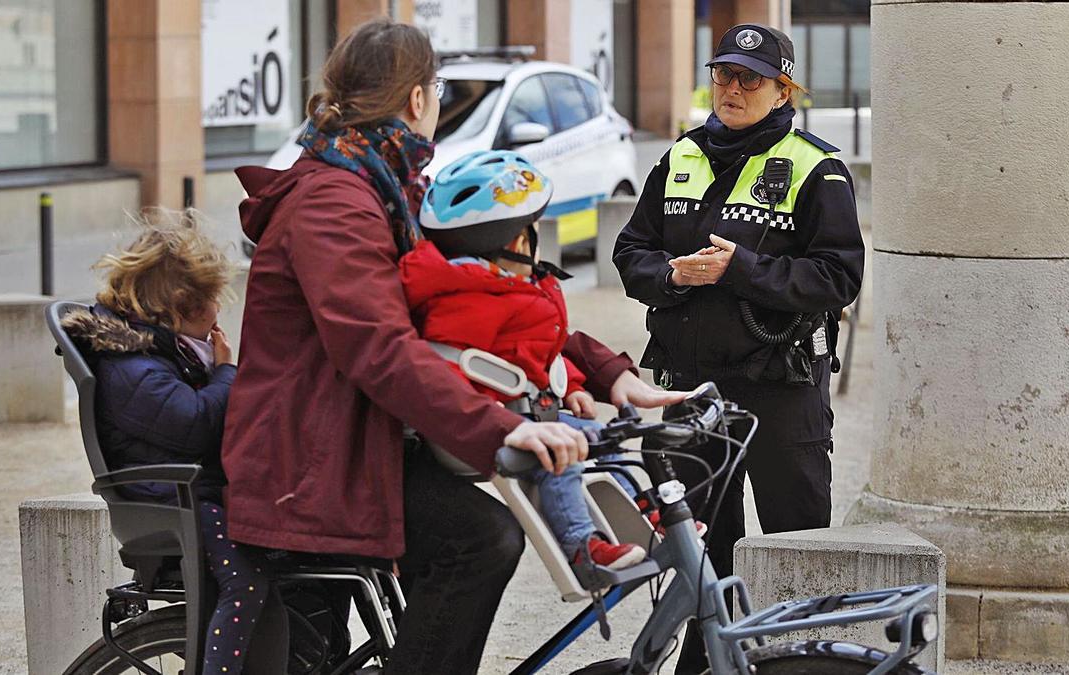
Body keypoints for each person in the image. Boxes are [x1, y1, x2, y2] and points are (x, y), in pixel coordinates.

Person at [221, 19, 684, 675]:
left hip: (356, 438)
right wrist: (499, 428)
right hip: (312, 458)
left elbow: (475, 312)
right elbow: (377, 347)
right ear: (417, 99)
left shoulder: (375, 185)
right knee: (479, 537)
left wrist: (604, 373)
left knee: (481, 534)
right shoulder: (337, 200)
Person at [612, 23, 864, 672]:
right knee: (701, 555)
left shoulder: (817, 167)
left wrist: (740, 269)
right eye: (723, 74)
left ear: (783, 90)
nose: (731, 88)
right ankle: (703, 664)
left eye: (749, 78)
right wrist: (672, 275)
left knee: (794, 547)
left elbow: (838, 276)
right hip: (691, 387)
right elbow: (631, 251)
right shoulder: (682, 156)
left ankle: (798, 662)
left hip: (780, 387)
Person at [401, 149, 647, 571]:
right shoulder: (465, 299)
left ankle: (645, 511)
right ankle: (582, 546)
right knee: (563, 457)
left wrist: (568, 384)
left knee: (603, 438)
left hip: (531, 408)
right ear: (516, 242)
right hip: (500, 421)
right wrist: (500, 414)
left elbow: (535, 350)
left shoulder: (500, 288)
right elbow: (446, 366)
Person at [62, 215, 286, 675]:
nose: (217, 313)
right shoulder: (130, 366)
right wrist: (225, 371)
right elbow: (194, 424)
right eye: (210, 303)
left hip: (185, 491)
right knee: (244, 583)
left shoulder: (153, 352)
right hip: (176, 500)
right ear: (177, 308)